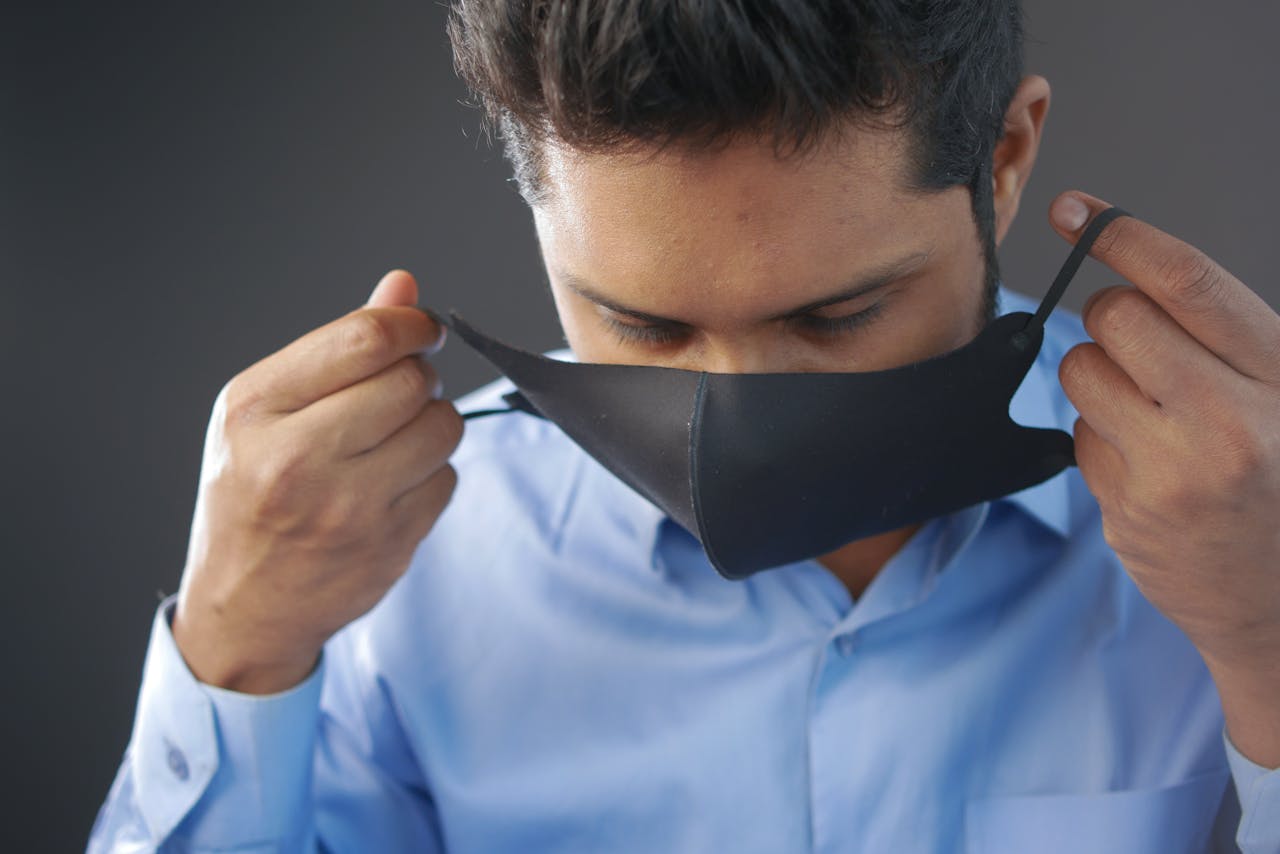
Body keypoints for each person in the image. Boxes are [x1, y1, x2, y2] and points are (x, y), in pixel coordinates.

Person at [89, 1, 1280, 851]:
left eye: (836, 312)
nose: (740, 411)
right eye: (642, 324)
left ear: (1005, 155)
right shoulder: (393, 562)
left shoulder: (1239, 519)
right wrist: (236, 655)